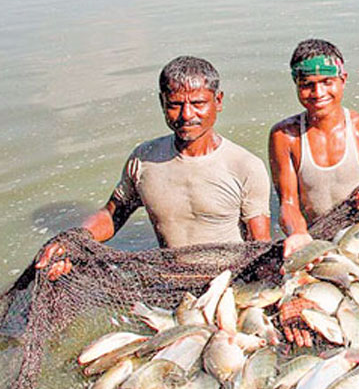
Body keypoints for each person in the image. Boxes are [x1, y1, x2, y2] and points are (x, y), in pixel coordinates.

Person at [35, 56, 272, 279]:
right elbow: (112, 215)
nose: (187, 114)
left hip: (228, 280)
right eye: (175, 105)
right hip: (169, 279)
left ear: (217, 101)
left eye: (198, 103)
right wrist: (75, 240)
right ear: (162, 102)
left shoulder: (245, 166)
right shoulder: (144, 159)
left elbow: (260, 244)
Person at [269, 39, 359, 348]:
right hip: (313, 241)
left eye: (327, 82)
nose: (319, 94)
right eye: (308, 85)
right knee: (302, 318)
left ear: (343, 80)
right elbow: (288, 202)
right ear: (296, 85)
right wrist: (298, 234)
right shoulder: (285, 136)